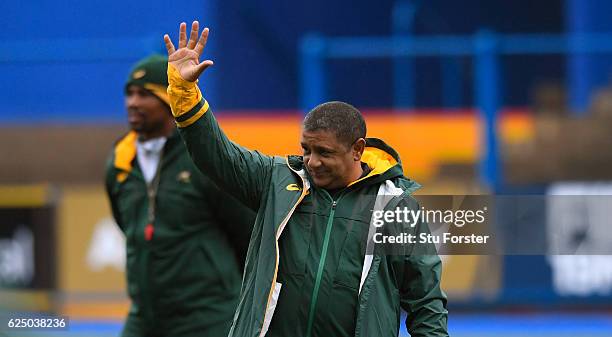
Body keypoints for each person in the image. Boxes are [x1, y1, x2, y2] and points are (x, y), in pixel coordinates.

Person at [163, 21, 448, 337]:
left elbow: (426, 302)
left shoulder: (396, 207)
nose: (312, 161)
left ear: (357, 150)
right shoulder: (277, 179)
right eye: (306, 149)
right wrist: (184, 93)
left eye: (324, 152)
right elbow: (219, 156)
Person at [104, 54, 255, 337]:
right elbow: (126, 224)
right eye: (130, 93)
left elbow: (246, 232)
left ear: (167, 98)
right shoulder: (119, 162)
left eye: (144, 94)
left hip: (208, 316)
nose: (133, 102)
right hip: (145, 316)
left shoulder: (204, 161)